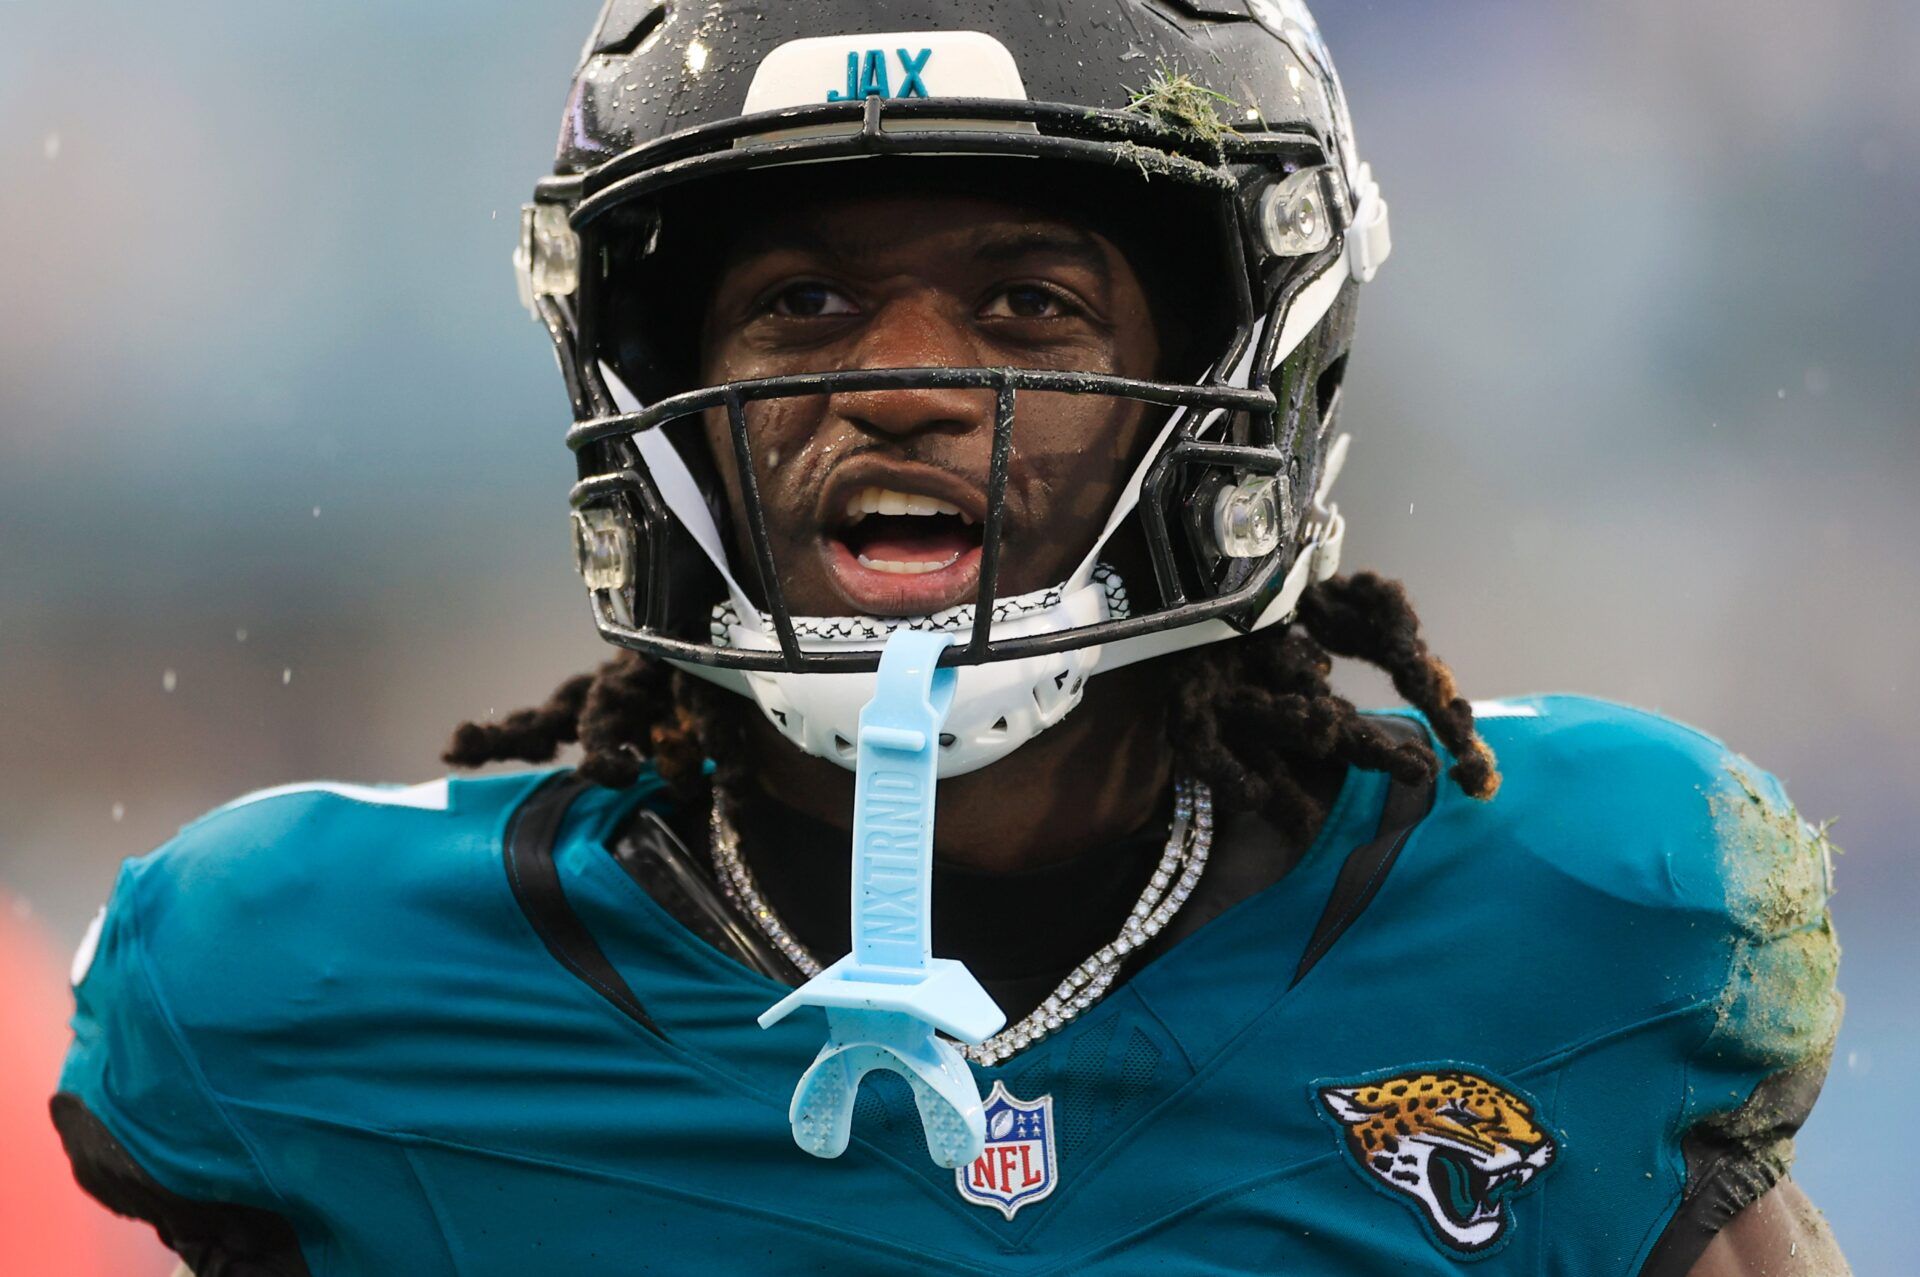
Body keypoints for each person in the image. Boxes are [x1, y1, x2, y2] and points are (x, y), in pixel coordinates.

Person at [53, 2, 1848, 1273]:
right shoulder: (316, 991)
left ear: (1242, 373)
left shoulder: (1585, 925)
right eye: (803, 301)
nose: (902, 382)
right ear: (666, 392)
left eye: (1029, 303)